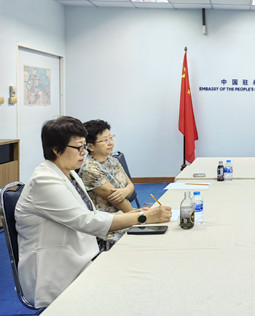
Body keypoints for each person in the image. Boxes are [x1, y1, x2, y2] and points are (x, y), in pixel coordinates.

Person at [15, 116, 172, 308]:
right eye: (78, 148)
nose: (84, 152)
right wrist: (141, 217)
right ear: (56, 150)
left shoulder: (69, 172)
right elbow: (87, 221)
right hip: (57, 268)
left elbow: (91, 213)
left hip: (82, 251)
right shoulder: (44, 181)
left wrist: (133, 214)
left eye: (84, 146)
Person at [79, 119, 135, 250]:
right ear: (90, 146)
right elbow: (118, 200)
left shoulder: (113, 160)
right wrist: (140, 218)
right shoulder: (90, 170)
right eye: (105, 140)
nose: (110, 143)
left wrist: (125, 191)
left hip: (124, 215)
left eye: (111, 138)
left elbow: (131, 186)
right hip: (108, 225)